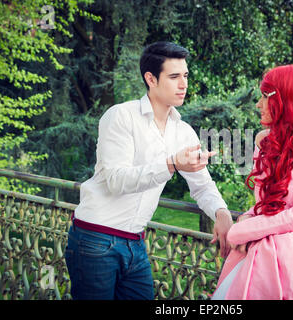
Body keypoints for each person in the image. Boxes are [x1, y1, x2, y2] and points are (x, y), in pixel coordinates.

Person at [64, 41, 233, 300]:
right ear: (151, 79)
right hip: (94, 239)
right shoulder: (121, 116)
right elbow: (115, 181)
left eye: (185, 75)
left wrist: (221, 213)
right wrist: (171, 164)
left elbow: (202, 185)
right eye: (174, 76)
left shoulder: (183, 131)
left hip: (136, 242)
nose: (183, 84)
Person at [212, 65, 293, 300]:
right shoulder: (264, 140)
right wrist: (247, 218)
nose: (258, 104)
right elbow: (264, 205)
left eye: (265, 96)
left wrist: (241, 231)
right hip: (255, 249)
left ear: (288, 99)